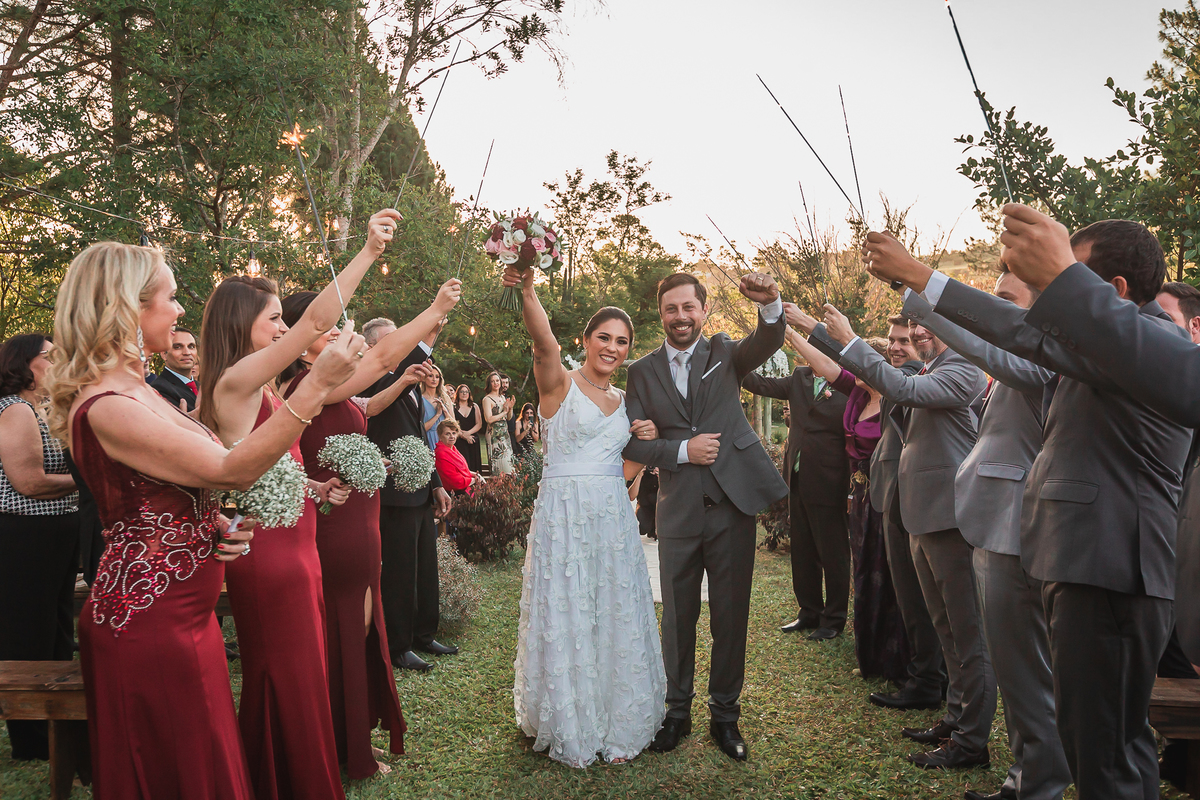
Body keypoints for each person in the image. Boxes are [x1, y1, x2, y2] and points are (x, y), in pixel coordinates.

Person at [866, 215, 1192, 798]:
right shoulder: (1103, 350)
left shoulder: (1151, 342)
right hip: (1086, 564)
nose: (1045, 295)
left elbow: (1019, 340)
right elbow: (1017, 334)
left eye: (1063, 275)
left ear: (1111, 292)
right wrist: (917, 284)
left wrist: (921, 275)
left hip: (1113, 569)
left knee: (1108, 758)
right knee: (1105, 747)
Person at [45, 240, 358, 799]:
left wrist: (210, 523)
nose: (180, 309)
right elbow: (232, 467)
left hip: (186, 611)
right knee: (178, 771)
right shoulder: (110, 404)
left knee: (205, 761)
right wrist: (314, 386)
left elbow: (178, 488)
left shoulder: (137, 388)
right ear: (128, 307)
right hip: (148, 620)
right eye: (168, 296)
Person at [198, 208, 400, 800]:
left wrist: (312, 490)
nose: (287, 329)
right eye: (275, 320)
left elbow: (270, 463)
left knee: (302, 674)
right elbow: (317, 318)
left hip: (298, 546)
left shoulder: (259, 388)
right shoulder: (233, 384)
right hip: (270, 561)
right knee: (284, 673)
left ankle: (284, 774)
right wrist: (367, 251)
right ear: (244, 325)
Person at [870, 236, 1069, 800]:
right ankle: (1011, 766)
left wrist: (917, 286)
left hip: (1012, 524)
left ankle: (1028, 777)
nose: (996, 308)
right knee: (986, 649)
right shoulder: (1017, 359)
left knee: (1014, 662)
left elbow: (979, 345)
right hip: (985, 518)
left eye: (1006, 299)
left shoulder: (1033, 358)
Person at [279, 280, 459, 780]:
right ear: (303, 336)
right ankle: (341, 751)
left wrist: (400, 386)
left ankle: (346, 741)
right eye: (326, 323)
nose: (337, 329)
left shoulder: (331, 387)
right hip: (336, 529)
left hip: (361, 524)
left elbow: (367, 405)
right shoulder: (306, 385)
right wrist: (435, 307)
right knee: (341, 635)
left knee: (355, 633)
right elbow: (381, 359)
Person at [805, 305, 995, 771]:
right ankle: (953, 719)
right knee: (945, 629)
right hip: (919, 514)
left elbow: (899, 386)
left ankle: (973, 742)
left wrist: (849, 337)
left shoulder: (965, 370)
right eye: (912, 327)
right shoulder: (929, 368)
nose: (914, 334)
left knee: (969, 636)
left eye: (922, 326)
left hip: (951, 519)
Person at [503, 263, 666, 768]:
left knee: (610, 607)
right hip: (563, 515)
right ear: (587, 339)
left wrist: (647, 443)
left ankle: (618, 716)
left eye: (622, 340)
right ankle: (571, 717)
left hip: (612, 516)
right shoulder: (558, 385)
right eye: (603, 337)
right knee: (568, 607)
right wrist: (529, 290)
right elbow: (544, 344)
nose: (612, 348)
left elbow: (624, 471)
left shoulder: (625, 402)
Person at [622, 271, 787, 762]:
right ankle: (677, 713)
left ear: (704, 311)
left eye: (688, 308)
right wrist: (679, 450)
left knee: (731, 616)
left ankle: (725, 716)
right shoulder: (642, 371)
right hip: (676, 511)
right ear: (661, 314)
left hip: (732, 507)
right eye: (671, 309)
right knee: (677, 617)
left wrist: (772, 303)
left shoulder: (725, 353)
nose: (680, 317)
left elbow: (769, 337)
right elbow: (630, 443)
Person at [779, 319, 912, 685]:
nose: (850, 369)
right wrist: (787, 329)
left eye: (859, 363)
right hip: (860, 493)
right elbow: (825, 365)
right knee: (864, 570)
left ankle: (889, 648)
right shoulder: (856, 392)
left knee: (882, 570)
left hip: (883, 492)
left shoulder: (896, 396)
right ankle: (866, 642)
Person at [743, 316, 851, 642]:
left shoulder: (849, 385)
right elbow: (759, 384)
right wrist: (735, 360)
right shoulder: (799, 378)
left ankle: (833, 619)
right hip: (797, 478)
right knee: (802, 548)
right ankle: (808, 612)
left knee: (831, 552)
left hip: (831, 479)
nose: (811, 356)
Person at [360, 320, 457, 673]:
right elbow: (390, 393)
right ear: (373, 348)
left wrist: (436, 485)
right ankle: (398, 646)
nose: (400, 346)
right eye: (392, 341)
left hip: (420, 490)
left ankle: (423, 633)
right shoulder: (371, 379)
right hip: (391, 492)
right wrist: (429, 336)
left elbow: (418, 437)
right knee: (398, 572)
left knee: (424, 566)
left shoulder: (411, 386)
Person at [0, 333, 79, 761]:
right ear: (24, 365)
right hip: (26, 535)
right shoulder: (14, 411)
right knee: (28, 630)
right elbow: (27, 482)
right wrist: (84, 480)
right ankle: (29, 737)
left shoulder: (41, 408)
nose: (57, 362)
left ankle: (57, 720)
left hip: (56, 531)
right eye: (50, 357)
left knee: (58, 627)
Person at [150, 326, 199, 411]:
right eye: (178, 347)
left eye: (191, 346)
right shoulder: (159, 389)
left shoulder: (202, 387)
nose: (187, 352)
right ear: (164, 354)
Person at [434, 419, 481, 496]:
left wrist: (476, 475)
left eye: (454, 433)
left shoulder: (452, 448)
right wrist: (474, 480)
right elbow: (455, 482)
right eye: (447, 434)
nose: (452, 436)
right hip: (455, 494)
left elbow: (463, 470)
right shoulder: (441, 453)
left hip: (464, 489)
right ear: (440, 436)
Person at [482, 371, 514, 474]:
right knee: (499, 466)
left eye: (497, 380)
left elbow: (508, 418)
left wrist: (510, 408)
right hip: (494, 435)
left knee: (509, 464)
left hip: (505, 433)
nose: (496, 383)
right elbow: (489, 419)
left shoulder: (502, 397)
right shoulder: (487, 399)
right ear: (489, 384)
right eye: (492, 381)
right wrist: (504, 412)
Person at [419, 363, 452, 451]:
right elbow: (420, 429)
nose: (434, 379)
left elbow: (453, 425)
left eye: (437, 377)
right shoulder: (419, 399)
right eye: (430, 376)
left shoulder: (445, 398)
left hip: (445, 440)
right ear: (424, 378)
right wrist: (437, 415)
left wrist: (444, 411)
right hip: (428, 440)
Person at [452, 383, 483, 472]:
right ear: (457, 394)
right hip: (459, 439)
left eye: (466, 392)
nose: (464, 394)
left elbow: (479, 424)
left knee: (474, 464)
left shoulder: (474, 406)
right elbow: (453, 424)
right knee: (462, 464)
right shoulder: (453, 407)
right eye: (462, 392)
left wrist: (468, 434)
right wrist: (463, 435)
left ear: (469, 394)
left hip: (473, 439)